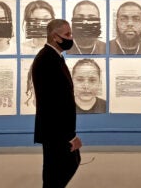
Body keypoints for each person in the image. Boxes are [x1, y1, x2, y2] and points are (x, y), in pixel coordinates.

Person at [31, 19, 82, 187]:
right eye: (67, 34)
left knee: (58, 173)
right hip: (56, 132)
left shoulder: (53, 57)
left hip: (55, 131)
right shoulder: (47, 60)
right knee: (57, 174)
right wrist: (70, 136)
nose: (70, 38)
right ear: (55, 37)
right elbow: (56, 103)